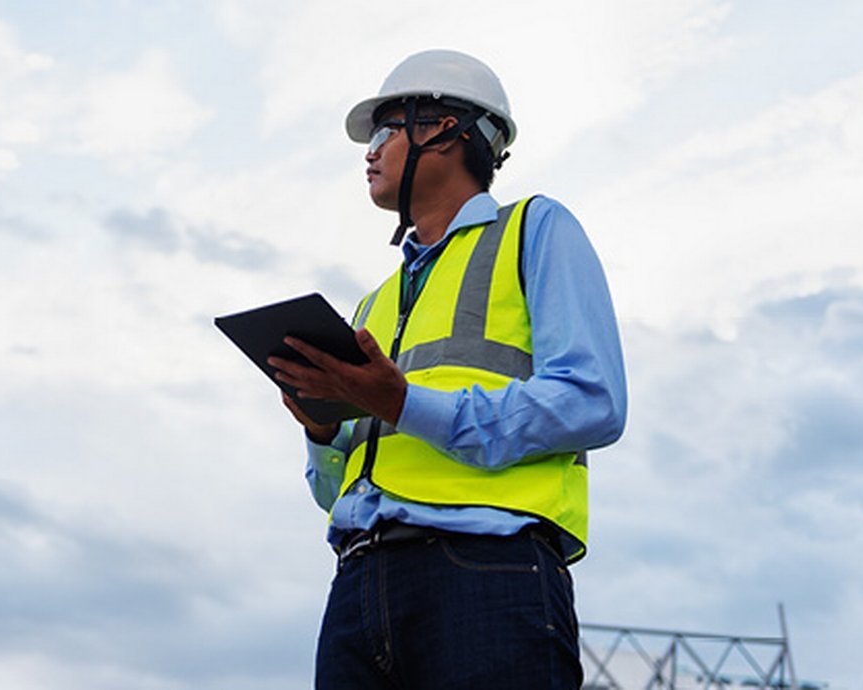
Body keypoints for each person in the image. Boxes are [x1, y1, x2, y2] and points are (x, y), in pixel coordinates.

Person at [267, 49, 627, 689]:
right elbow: (335, 490)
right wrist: (322, 431)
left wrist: (403, 403)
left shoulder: (534, 229)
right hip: (357, 585)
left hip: (487, 573)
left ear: (441, 128)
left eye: (384, 130)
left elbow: (593, 402)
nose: (369, 151)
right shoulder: (373, 304)